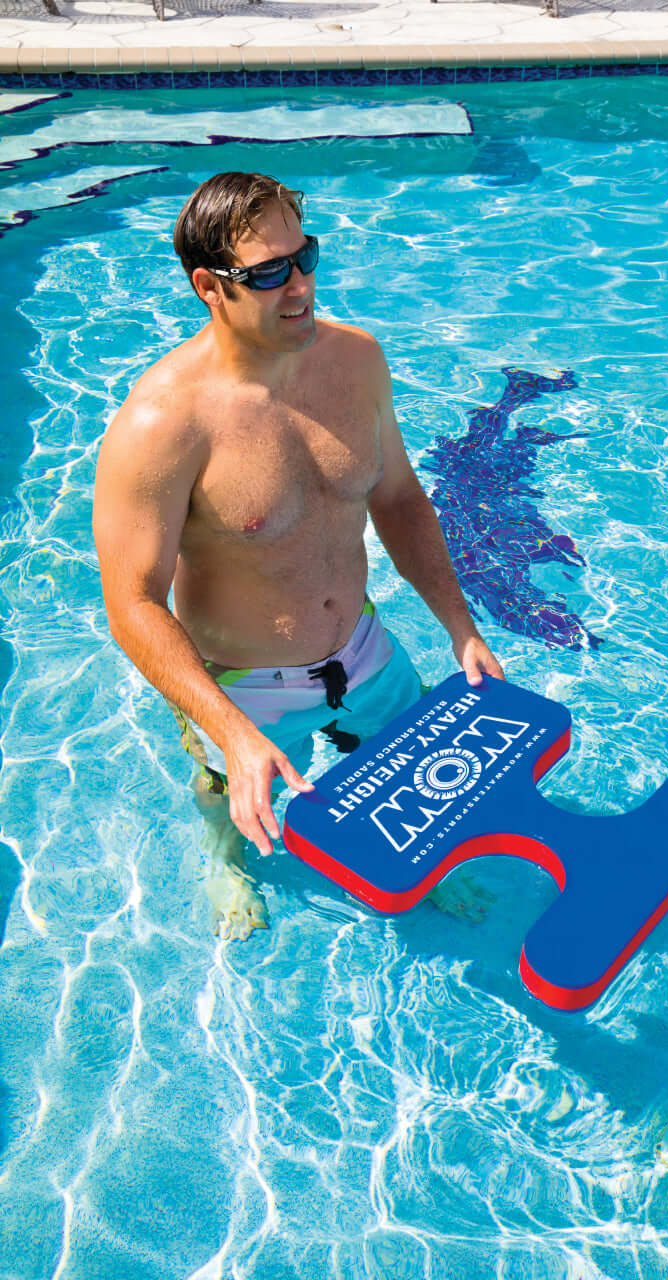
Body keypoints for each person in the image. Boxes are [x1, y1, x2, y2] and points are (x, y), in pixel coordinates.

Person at [93, 171, 503, 940]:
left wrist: (459, 626)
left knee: (415, 783)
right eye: (270, 272)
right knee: (228, 796)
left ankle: (421, 868)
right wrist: (232, 731)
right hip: (246, 687)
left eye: (305, 256)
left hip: (364, 647)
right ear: (209, 286)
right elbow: (132, 604)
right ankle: (225, 864)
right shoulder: (160, 426)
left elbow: (399, 501)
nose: (300, 286)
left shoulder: (354, 361)